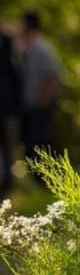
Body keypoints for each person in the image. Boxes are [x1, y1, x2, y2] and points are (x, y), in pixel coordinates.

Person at [18, 11, 61, 167]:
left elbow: (50, 77)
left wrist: (42, 104)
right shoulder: (30, 48)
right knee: (32, 144)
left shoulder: (41, 49)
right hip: (33, 107)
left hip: (40, 107)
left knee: (38, 145)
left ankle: (44, 180)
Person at [0, 28, 20, 193]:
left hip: (7, 107)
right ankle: (7, 182)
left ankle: (6, 182)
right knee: (7, 147)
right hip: (8, 107)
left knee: (6, 147)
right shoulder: (10, 65)